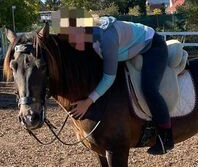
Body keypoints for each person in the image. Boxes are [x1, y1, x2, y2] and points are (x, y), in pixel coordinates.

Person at [66, 16, 173, 155]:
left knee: (149, 88)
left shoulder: (107, 40)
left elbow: (109, 78)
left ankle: (166, 137)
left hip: (153, 46)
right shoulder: (90, 34)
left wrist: (88, 102)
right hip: (127, 45)